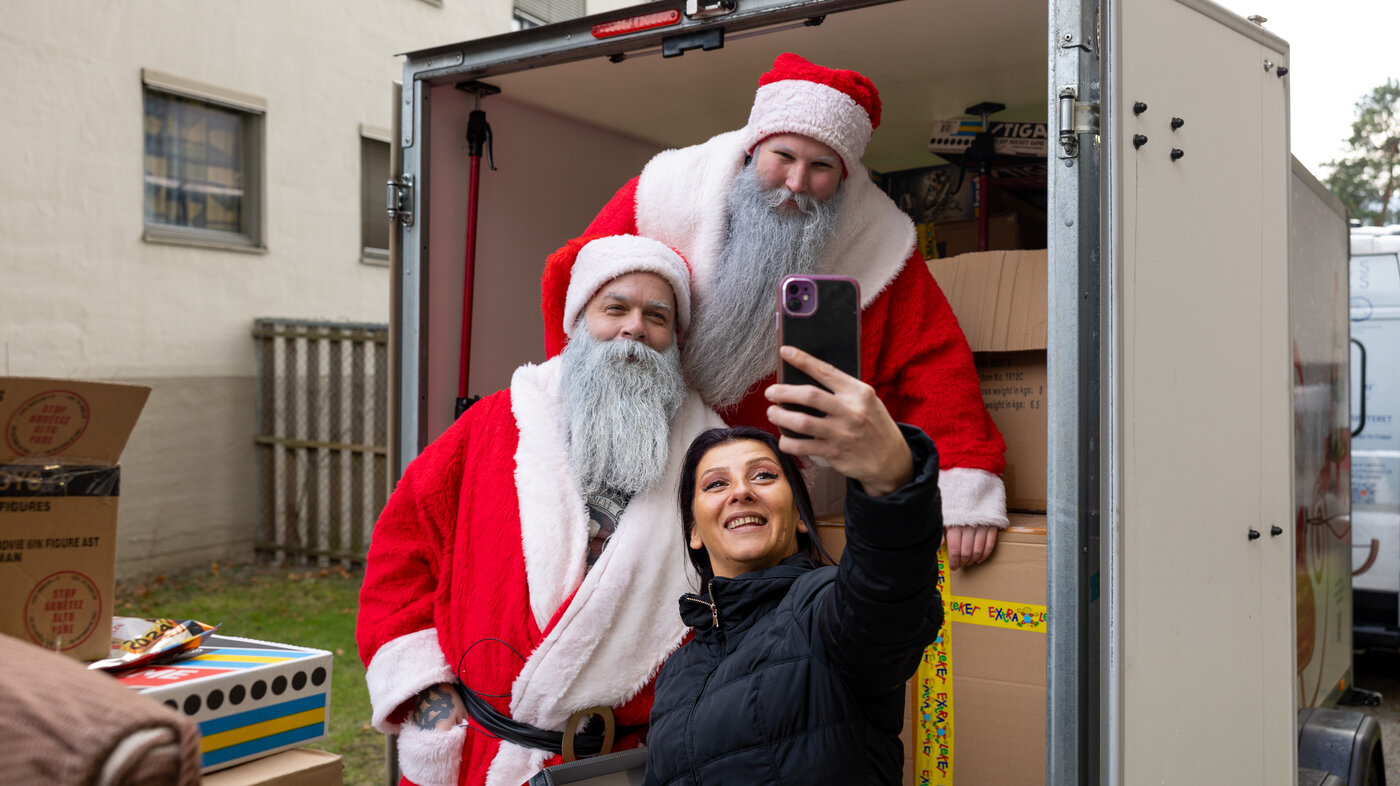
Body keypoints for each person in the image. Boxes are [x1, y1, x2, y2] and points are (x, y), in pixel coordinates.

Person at [545, 52, 1006, 570]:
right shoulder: (664, 192)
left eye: (821, 167)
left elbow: (934, 361)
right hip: (641, 453)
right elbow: (576, 292)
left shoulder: (879, 244)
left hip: (771, 496)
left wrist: (964, 477)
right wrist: (575, 411)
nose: (795, 182)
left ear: (846, 176)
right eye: (782, 156)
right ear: (753, 147)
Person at [357, 235, 724, 786]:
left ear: (674, 338)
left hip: (630, 764)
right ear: (578, 322)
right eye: (615, 308)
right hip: (477, 756)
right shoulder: (493, 423)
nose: (634, 329)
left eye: (657, 316)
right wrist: (428, 697)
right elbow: (400, 553)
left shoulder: (713, 453)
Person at [642, 344, 944, 784]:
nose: (741, 492)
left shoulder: (822, 609)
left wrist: (889, 482)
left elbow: (886, 596)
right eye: (716, 483)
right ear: (694, 530)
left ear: (801, 516)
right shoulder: (675, 676)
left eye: (764, 475)